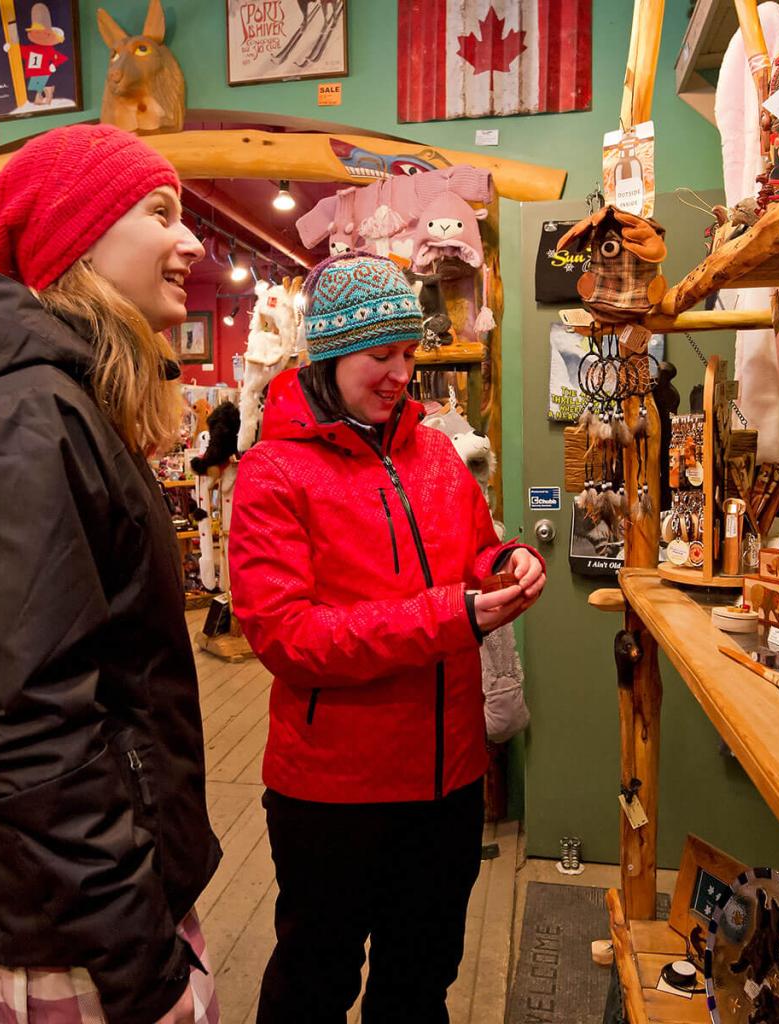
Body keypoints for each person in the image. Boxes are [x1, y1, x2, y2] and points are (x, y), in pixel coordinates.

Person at [0, 124, 221, 1024]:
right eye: (159, 213)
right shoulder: (31, 419)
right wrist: (140, 964)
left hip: (109, 890)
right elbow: (35, 725)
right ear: (76, 238)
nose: (190, 241)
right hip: (93, 929)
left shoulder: (54, 403)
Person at [228, 253, 547, 1023]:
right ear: (332, 355)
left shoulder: (433, 452)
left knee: (420, 977)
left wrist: (505, 560)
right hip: (334, 793)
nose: (402, 373)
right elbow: (288, 636)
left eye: (409, 353)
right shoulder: (274, 472)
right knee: (316, 978)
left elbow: (472, 546)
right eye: (381, 355)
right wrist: (453, 616)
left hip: (448, 781)